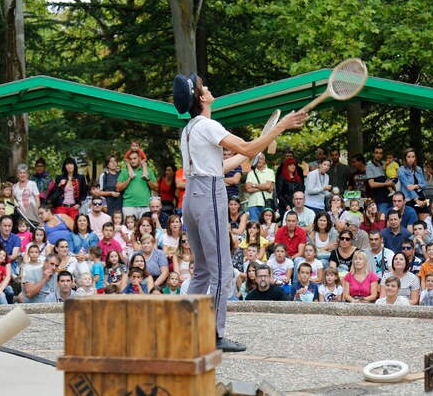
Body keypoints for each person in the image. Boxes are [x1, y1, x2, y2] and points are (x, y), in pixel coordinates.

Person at [173, 72, 305, 351]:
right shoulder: (209, 126)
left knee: (202, 271)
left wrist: (249, 151)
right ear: (201, 98)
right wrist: (280, 127)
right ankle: (214, 336)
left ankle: (184, 329)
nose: (207, 87)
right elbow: (246, 147)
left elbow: (223, 164)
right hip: (209, 194)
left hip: (192, 197)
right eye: (202, 87)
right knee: (221, 270)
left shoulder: (189, 130)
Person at [116, 151, 157, 219]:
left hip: (145, 205)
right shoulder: (124, 172)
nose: (132, 161)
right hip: (129, 205)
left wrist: (148, 180)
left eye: (134, 158)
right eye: (131, 159)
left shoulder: (147, 171)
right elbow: (118, 188)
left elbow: (156, 188)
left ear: (140, 159)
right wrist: (129, 178)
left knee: (145, 228)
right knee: (129, 228)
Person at [397, 148, 428, 219]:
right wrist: (416, 200)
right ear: (405, 158)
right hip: (409, 198)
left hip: (421, 196)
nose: (411, 159)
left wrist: (415, 186)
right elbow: (408, 187)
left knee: (425, 220)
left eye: (413, 157)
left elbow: (424, 185)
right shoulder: (401, 170)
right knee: (413, 220)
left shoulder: (418, 169)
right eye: (409, 157)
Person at [366, 146, 395, 217]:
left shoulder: (385, 164)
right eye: (376, 153)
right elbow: (372, 184)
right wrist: (386, 184)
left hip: (392, 198)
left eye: (380, 153)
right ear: (373, 154)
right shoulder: (369, 166)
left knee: (394, 218)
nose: (378, 155)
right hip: (380, 200)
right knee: (382, 218)